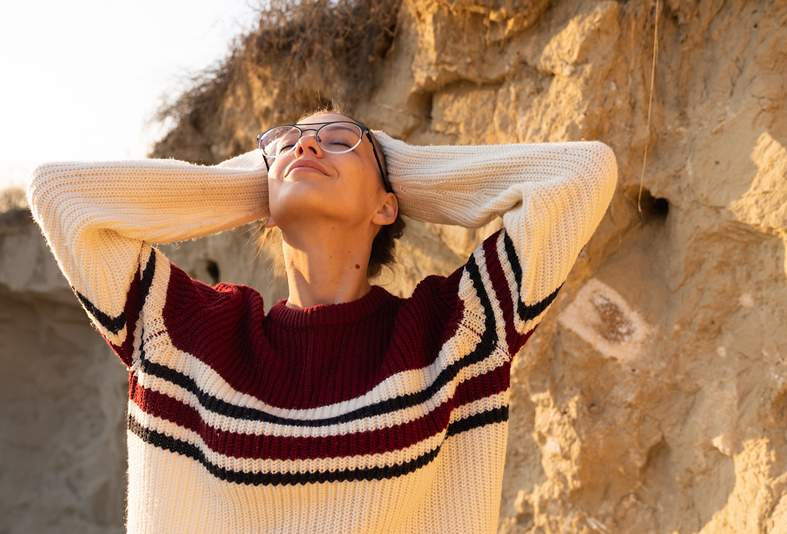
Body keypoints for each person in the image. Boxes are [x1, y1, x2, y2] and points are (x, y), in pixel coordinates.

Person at [26, 106, 618, 534]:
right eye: (286, 142)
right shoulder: (184, 336)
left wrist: (395, 169)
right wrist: (266, 183)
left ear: (389, 204)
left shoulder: (451, 334)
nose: (306, 148)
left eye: (337, 141)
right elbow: (59, 194)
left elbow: (580, 175)